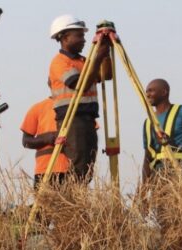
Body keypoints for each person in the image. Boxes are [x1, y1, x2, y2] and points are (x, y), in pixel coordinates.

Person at [48, 14, 111, 182]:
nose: (84, 40)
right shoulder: (59, 62)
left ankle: (77, 197)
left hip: (87, 118)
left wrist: (105, 54)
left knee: (87, 166)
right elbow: (78, 84)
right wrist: (97, 58)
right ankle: (71, 201)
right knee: (79, 165)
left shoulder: (84, 61)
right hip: (72, 118)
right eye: (79, 35)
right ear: (65, 37)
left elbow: (107, 75)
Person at [142, 78, 182, 180]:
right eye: (146, 91)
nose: (147, 95)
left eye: (151, 90)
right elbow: (147, 158)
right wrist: (143, 188)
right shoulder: (148, 122)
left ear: (164, 92)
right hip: (158, 180)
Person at [20, 80, 69, 188]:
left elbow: (90, 136)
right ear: (50, 84)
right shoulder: (37, 109)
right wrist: (48, 138)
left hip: (72, 171)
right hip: (45, 171)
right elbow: (26, 141)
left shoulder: (76, 108)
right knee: (44, 205)